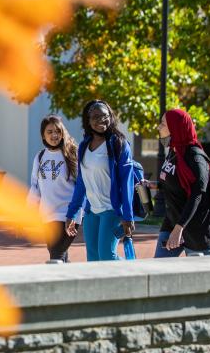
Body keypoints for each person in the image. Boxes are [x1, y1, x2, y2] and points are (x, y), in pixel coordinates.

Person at [141, 109, 210, 257]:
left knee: (198, 279)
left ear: (175, 128)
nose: (158, 127)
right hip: (172, 221)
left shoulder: (195, 157)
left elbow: (197, 195)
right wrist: (153, 184)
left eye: (162, 124)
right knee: (159, 270)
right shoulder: (174, 151)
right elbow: (175, 182)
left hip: (196, 230)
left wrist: (179, 228)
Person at [65, 100, 136, 261]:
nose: (101, 120)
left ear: (110, 117)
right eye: (95, 117)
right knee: (93, 258)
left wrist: (128, 215)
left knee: (106, 255)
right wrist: (72, 212)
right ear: (88, 121)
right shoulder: (84, 146)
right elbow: (81, 183)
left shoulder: (118, 143)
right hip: (92, 211)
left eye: (105, 116)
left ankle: (132, 272)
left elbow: (127, 182)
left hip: (112, 210)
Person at [28, 114, 81, 263]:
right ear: (43, 136)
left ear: (62, 133)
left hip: (68, 213)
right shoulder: (40, 157)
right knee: (58, 254)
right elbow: (35, 186)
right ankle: (70, 282)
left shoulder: (72, 154)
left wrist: (78, 211)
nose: (54, 135)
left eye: (57, 131)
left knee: (56, 255)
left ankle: (53, 285)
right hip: (47, 214)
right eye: (49, 132)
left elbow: (81, 186)